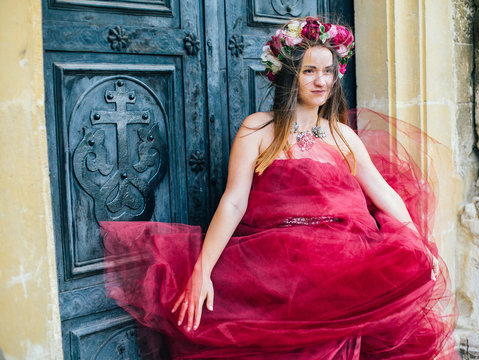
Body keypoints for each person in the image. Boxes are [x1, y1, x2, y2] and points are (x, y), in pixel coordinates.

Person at [102, 17, 458, 359]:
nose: (321, 81)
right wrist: (202, 270)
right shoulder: (258, 129)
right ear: (290, 75)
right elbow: (233, 202)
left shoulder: (342, 135)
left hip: (344, 269)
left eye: (328, 71)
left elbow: (384, 194)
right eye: (309, 70)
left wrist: (417, 242)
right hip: (277, 269)